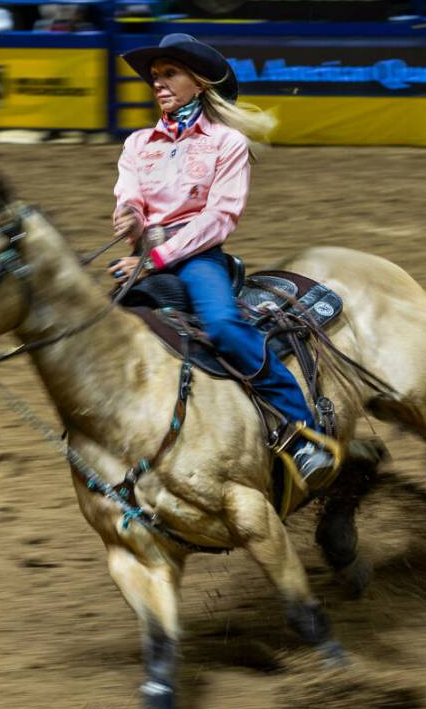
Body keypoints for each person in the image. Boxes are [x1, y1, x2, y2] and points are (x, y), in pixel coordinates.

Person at [111, 33, 337, 490]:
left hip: (197, 259)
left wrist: (158, 256)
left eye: (169, 74)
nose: (158, 84)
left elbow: (219, 218)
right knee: (102, 334)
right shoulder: (138, 144)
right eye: (155, 77)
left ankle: (300, 433)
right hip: (146, 257)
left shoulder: (226, 143)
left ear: (198, 82)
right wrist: (129, 217)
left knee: (223, 326)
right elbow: (129, 196)